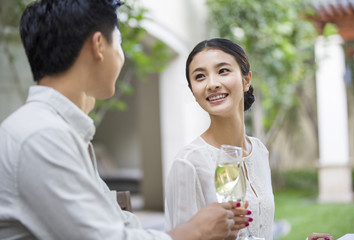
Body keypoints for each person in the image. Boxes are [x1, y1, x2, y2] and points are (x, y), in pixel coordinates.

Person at [0, 1, 243, 239]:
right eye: (118, 42)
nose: (122, 55)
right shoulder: (42, 136)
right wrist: (196, 231)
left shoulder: (57, 131)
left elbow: (119, 226)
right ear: (98, 46)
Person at [164, 38, 334, 240]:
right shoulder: (188, 162)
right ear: (193, 91)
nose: (212, 84)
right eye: (200, 76)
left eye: (223, 71)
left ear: (246, 80)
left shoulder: (259, 151)